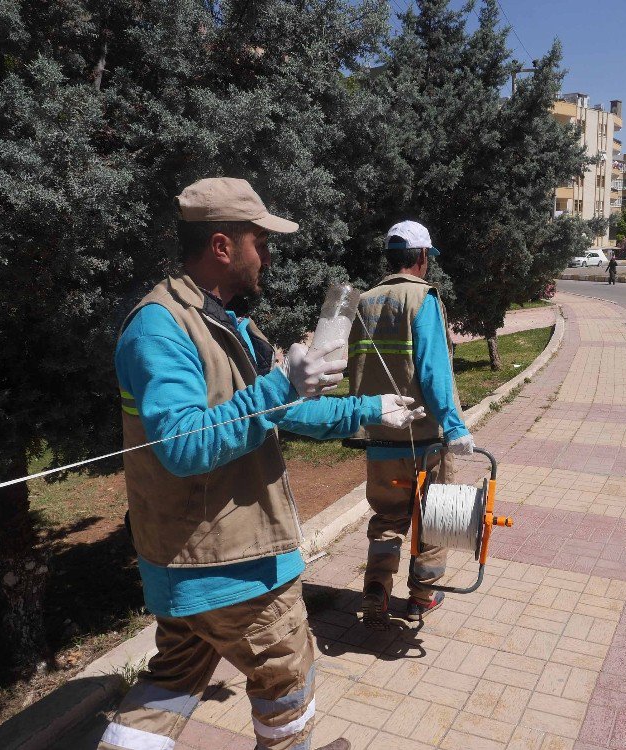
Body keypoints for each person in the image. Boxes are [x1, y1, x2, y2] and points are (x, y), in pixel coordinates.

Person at [101, 178, 424, 750]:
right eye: (261, 241)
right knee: (285, 674)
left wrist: (371, 408)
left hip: (193, 563)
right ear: (222, 246)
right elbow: (183, 444)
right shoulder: (160, 328)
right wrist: (278, 386)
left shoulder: (221, 318)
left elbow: (286, 409)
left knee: (174, 678)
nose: (269, 256)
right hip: (231, 564)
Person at [348, 220, 474, 629]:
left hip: (379, 438)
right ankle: (421, 597)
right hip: (425, 440)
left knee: (387, 521)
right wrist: (455, 427)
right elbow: (434, 371)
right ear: (421, 257)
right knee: (434, 516)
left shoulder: (363, 301)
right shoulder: (424, 300)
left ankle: (376, 589)